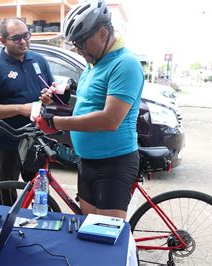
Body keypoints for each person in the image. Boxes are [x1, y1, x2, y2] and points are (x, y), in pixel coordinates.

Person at [36, 0, 144, 219]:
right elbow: (88, 103)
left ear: (103, 34)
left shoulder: (125, 64)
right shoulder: (94, 63)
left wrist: (56, 122)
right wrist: (58, 99)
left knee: (105, 237)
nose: (77, 49)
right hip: (87, 160)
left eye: (80, 43)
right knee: (89, 229)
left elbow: (109, 120)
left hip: (113, 163)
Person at [0, 17, 64, 205]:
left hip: (35, 139)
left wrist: (48, 96)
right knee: (7, 195)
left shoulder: (38, 60)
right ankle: (8, 231)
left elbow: (48, 91)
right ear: (3, 41)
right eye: (16, 38)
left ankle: (37, 229)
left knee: (39, 191)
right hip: (6, 142)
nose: (23, 41)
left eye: (26, 35)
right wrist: (20, 109)